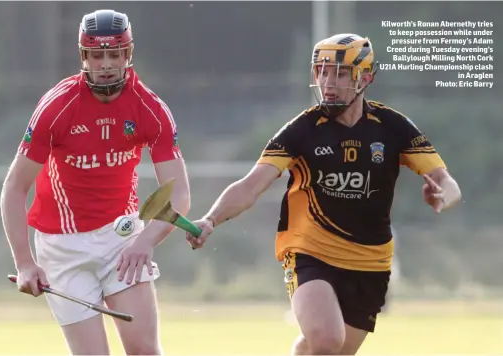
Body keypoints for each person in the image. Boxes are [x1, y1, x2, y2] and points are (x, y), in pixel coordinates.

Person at [186, 33, 461, 355]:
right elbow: (251, 185)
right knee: (328, 340)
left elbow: (445, 180)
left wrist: (444, 196)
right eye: (322, 71)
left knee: (326, 350)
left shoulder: (392, 126)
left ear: (366, 77)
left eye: (340, 73)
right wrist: (211, 219)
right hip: (309, 251)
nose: (328, 82)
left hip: (371, 262)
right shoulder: (301, 130)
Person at [0, 9, 190, 355]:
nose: (106, 64)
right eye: (97, 55)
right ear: (83, 57)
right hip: (61, 248)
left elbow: (179, 194)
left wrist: (145, 241)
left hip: (121, 239)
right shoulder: (57, 107)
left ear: (127, 55)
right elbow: (14, 188)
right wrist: (24, 261)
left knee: (145, 349)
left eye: (114, 54)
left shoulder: (150, 109)